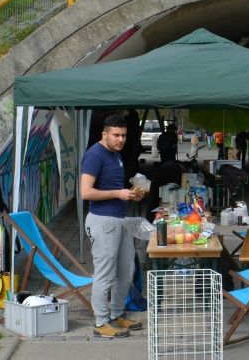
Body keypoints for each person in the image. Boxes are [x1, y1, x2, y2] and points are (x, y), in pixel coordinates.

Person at [80, 114, 145, 338]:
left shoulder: (115, 154)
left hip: (120, 220)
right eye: (116, 135)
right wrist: (118, 193)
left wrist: (130, 194)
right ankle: (100, 322)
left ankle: (117, 314)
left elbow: (114, 189)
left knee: (127, 271)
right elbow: (85, 192)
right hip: (103, 221)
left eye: (123, 135)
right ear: (104, 134)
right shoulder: (94, 155)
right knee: (105, 274)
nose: (120, 139)